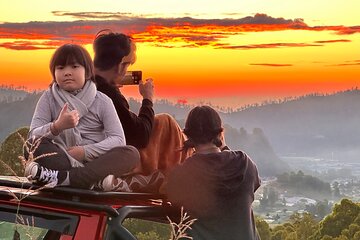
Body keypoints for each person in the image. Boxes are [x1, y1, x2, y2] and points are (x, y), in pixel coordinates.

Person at [24, 44, 140, 189]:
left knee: (131, 154)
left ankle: (64, 178)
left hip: (96, 161)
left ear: (87, 71)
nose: (67, 72)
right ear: (54, 73)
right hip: (62, 158)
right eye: (60, 68)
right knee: (31, 144)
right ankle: (93, 181)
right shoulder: (48, 98)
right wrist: (57, 127)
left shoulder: (102, 100)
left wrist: (85, 152)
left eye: (74, 67)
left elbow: (117, 139)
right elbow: (32, 135)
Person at [92, 30, 188, 182]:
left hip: (98, 150)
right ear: (119, 66)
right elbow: (141, 136)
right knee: (166, 123)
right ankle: (179, 175)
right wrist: (147, 99)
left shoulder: (86, 83)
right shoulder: (108, 96)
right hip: (113, 157)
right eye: (127, 64)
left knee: (161, 122)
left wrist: (113, 85)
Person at [166, 106, 261, 240]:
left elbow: (172, 200)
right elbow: (253, 184)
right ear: (220, 134)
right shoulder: (244, 164)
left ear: (188, 136)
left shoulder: (181, 175)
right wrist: (224, 147)